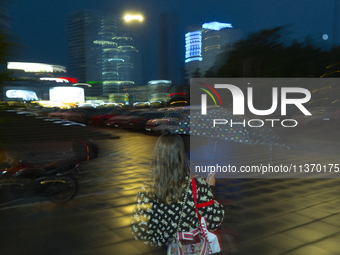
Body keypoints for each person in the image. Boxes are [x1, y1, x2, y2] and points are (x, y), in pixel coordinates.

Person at [130, 133, 225, 248]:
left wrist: (163, 240)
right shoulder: (196, 184)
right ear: (181, 154)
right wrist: (210, 188)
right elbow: (214, 219)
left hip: (162, 249)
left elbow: (139, 228)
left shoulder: (148, 187)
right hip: (189, 247)